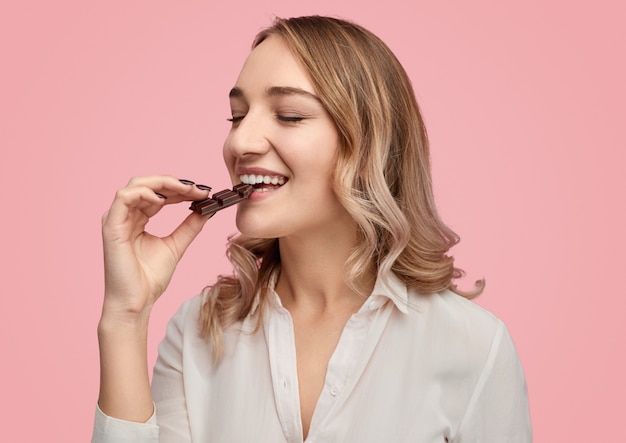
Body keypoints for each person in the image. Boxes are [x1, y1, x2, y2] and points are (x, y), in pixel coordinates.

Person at [92, 15, 531, 443]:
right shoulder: (197, 331)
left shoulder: (473, 345)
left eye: (289, 115)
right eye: (236, 116)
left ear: (369, 145)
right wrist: (125, 317)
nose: (241, 142)